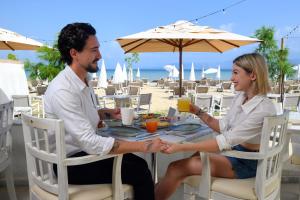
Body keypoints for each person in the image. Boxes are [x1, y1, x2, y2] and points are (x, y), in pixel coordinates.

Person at [44, 22, 164, 200]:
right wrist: (144, 145)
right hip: (71, 164)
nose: (99, 55)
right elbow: (90, 142)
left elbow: (80, 114)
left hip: (82, 154)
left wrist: (104, 113)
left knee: (137, 164)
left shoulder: (83, 80)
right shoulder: (63, 90)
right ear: (74, 53)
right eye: (93, 50)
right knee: (140, 170)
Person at [155, 53, 277, 200]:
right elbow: (222, 127)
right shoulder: (241, 98)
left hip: (245, 161)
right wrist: (197, 111)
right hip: (233, 152)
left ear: (253, 75)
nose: (231, 78)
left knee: (175, 168)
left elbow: (223, 141)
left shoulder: (263, 108)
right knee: (182, 166)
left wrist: (180, 147)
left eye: (236, 73)